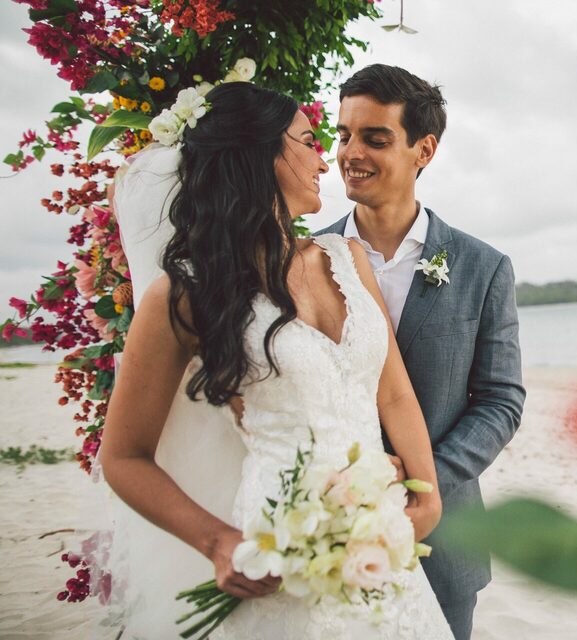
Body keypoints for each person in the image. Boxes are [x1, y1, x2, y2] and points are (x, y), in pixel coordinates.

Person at [99, 82, 453, 638]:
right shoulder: (186, 292)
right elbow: (123, 456)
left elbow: (392, 393)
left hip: (378, 538)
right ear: (259, 152)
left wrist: (425, 499)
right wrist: (218, 542)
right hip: (276, 551)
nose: (324, 159)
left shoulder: (347, 257)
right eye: (311, 141)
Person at [318, 64, 525, 640]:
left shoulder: (484, 267)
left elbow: (501, 402)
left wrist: (421, 480)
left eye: (374, 138)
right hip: (325, 527)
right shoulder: (305, 260)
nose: (349, 153)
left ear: (423, 150)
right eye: (342, 134)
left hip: (443, 536)